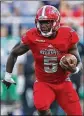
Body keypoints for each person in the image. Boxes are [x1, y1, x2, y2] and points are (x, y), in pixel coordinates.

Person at [2, 5, 83, 115]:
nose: (43, 25)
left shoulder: (67, 34)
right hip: (43, 82)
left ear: (56, 22)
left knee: (77, 113)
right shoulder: (32, 35)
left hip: (64, 81)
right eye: (41, 22)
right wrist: (7, 76)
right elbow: (14, 53)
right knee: (41, 106)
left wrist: (74, 69)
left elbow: (78, 60)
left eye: (47, 22)